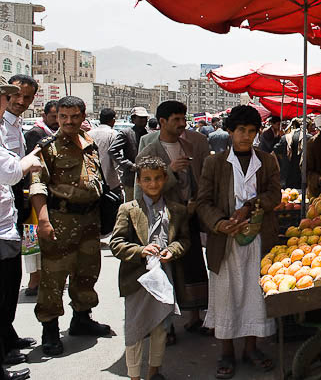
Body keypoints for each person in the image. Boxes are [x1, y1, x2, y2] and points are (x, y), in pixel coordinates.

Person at [196, 105, 280, 377]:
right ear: (230, 131)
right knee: (226, 295)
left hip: (258, 240)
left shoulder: (267, 161)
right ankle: (226, 353)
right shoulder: (214, 163)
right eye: (241, 130)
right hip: (226, 242)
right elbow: (203, 202)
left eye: (252, 131)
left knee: (254, 294)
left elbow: (274, 195)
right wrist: (220, 223)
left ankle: (251, 348)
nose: (246, 136)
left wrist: (251, 206)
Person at [29, 96, 112, 356]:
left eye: (74, 116)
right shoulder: (48, 147)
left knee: (87, 272)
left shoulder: (89, 142)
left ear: (83, 116)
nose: (68, 121)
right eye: (63, 116)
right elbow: (37, 185)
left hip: (89, 220)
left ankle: (81, 318)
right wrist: (43, 219)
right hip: (60, 220)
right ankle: (50, 329)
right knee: (54, 277)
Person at [110, 156, 190, 380]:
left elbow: (184, 240)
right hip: (136, 279)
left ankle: (154, 372)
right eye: (147, 179)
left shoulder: (176, 210)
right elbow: (116, 244)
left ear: (165, 179)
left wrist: (172, 251)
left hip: (165, 276)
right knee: (134, 330)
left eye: (157, 178)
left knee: (161, 326)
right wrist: (140, 251)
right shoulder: (128, 209)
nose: (152, 184)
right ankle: (134, 375)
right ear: (138, 181)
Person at [137, 101, 209, 342]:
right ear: (163, 121)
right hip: (162, 219)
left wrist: (197, 202)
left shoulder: (189, 143)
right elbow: (146, 185)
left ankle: (194, 317)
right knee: (165, 271)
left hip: (188, 217)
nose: (181, 124)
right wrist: (171, 171)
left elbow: (198, 177)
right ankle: (163, 327)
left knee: (192, 267)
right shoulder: (149, 147)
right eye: (176, 120)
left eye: (183, 119)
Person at [0, 77, 43, 380]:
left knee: (11, 278)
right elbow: (12, 169)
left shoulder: (15, 125)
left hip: (16, 208)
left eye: (26, 97)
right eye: (13, 96)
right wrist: (29, 162)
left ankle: (7, 334)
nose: (19, 101)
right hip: (6, 209)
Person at [110, 107, 150, 202]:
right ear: (133, 119)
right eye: (140, 118)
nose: (143, 120)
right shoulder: (126, 133)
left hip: (148, 177)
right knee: (132, 206)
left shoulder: (149, 133)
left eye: (144, 118)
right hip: (131, 178)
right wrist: (129, 165)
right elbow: (113, 150)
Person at [88, 108, 123, 202]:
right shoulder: (113, 134)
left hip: (92, 181)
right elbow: (117, 159)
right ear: (113, 120)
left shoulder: (88, 134)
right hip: (111, 183)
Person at [283, 119, 302, 189]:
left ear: (292, 125)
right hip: (302, 172)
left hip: (289, 170)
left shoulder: (286, 137)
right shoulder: (308, 137)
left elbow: (275, 150)